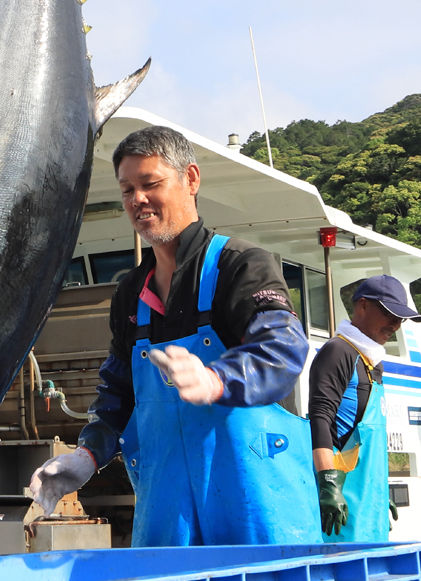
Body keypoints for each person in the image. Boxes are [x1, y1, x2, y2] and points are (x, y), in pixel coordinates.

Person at [28, 125, 319, 546]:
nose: (137, 200)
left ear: (192, 180)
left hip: (258, 517)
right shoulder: (130, 293)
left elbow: (282, 348)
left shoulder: (240, 266)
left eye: (150, 184)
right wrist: (86, 456)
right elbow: (118, 394)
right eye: (127, 189)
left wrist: (217, 380)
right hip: (168, 523)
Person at [311, 275, 419, 541]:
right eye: (390, 314)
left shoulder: (372, 363)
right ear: (362, 306)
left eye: (400, 318)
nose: (395, 324)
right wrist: (328, 486)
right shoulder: (338, 351)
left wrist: (380, 492)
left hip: (368, 499)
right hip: (340, 497)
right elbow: (320, 417)